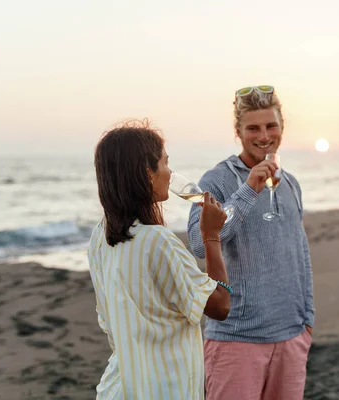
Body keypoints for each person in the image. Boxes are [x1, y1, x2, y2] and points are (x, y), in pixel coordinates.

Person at [88, 120, 232, 399]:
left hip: (120, 386)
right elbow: (220, 305)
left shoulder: (100, 235)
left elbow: (108, 320)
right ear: (148, 173)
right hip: (164, 387)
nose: (170, 172)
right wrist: (211, 236)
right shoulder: (158, 242)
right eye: (165, 163)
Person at [187, 86, 314, 400]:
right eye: (253, 128)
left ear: (282, 127)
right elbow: (199, 244)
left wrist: (307, 318)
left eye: (271, 126)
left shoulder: (292, 184)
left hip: (292, 337)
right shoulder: (215, 180)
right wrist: (249, 189)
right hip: (236, 340)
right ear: (238, 132)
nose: (264, 136)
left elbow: (300, 253)